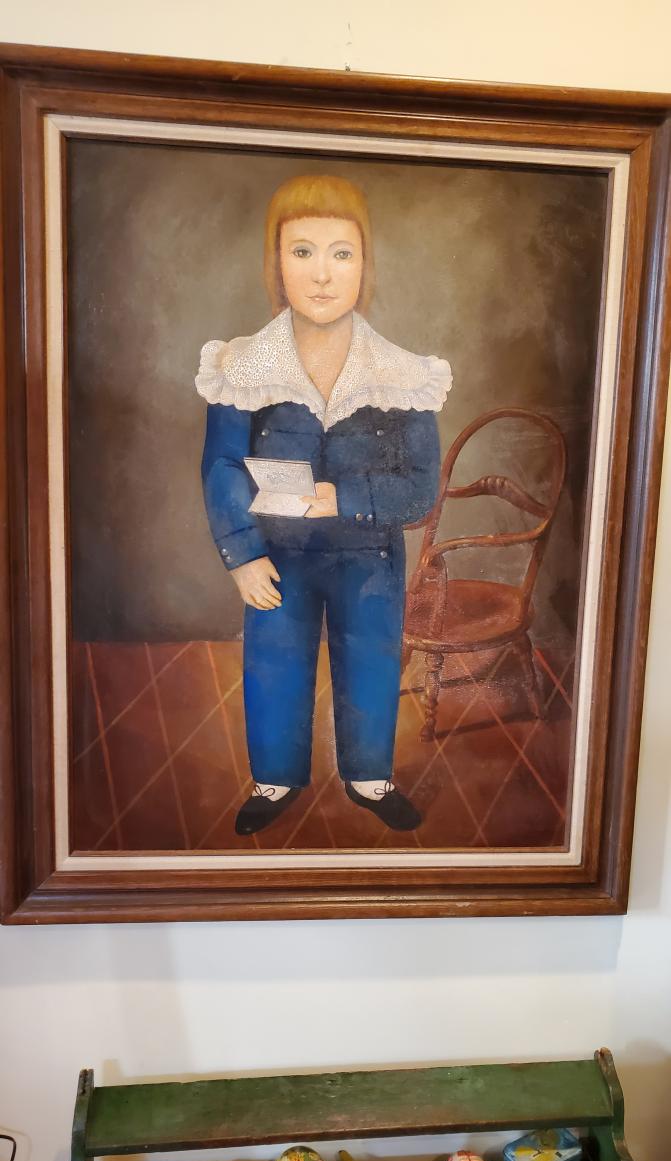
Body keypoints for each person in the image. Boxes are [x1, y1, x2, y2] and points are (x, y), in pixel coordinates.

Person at [196, 174, 452, 836]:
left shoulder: (402, 375)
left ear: (364, 265)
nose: (321, 274)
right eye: (301, 251)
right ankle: (275, 778)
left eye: (341, 253)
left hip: (369, 557)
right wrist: (241, 554)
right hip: (277, 555)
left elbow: (420, 487)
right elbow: (222, 465)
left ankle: (369, 778)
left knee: (369, 661)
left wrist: (345, 496)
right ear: (276, 263)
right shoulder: (241, 365)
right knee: (275, 664)